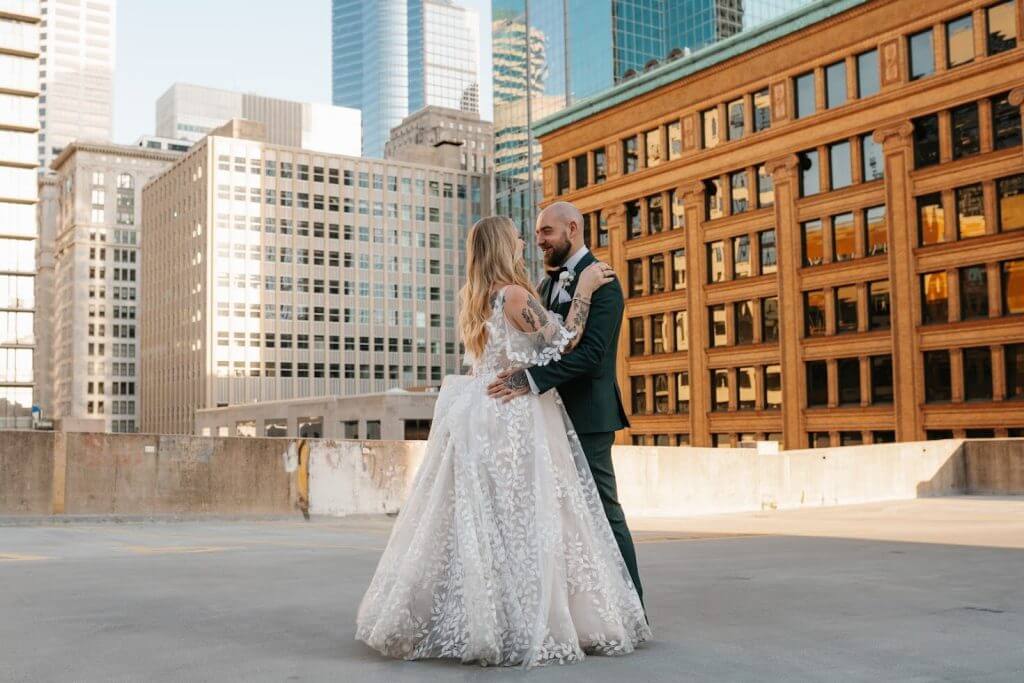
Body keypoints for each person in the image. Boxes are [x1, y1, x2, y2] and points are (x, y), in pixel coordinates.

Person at [355, 216, 650, 668]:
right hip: (512, 414)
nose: (525, 241)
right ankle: (526, 618)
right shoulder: (515, 295)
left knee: (489, 520)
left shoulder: (476, 296)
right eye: (516, 237)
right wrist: (585, 289)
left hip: (480, 412)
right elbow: (566, 342)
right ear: (501, 246)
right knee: (525, 519)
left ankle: (489, 616)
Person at [486, 201, 644, 611]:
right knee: (561, 519)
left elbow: (590, 354)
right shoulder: (540, 287)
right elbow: (543, 343)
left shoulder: (603, 281)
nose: (539, 240)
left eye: (546, 232)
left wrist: (529, 379)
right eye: (536, 233)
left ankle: (633, 608)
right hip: (545, 420)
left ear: (572, 228)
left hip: (587, 416)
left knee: (602, 512)